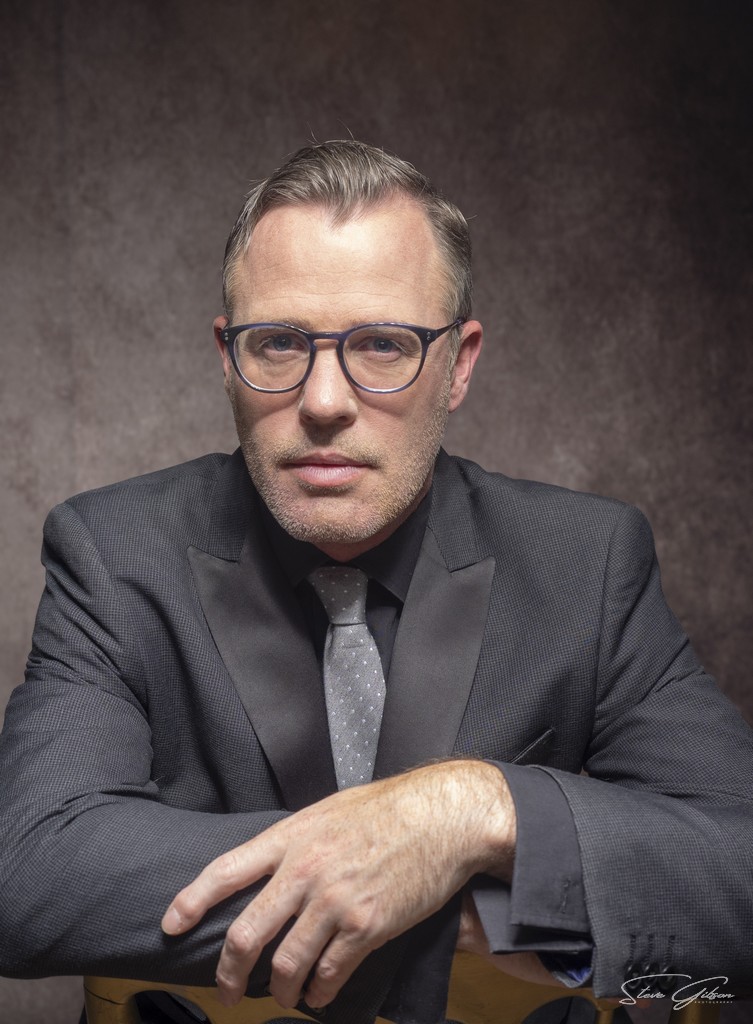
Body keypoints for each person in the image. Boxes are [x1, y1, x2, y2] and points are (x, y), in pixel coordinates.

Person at [1, 140, 752, 1024]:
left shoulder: (588, 560)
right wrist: (410, 893)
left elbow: (736, 869)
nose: (324, 400)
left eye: (384, 344)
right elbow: (32, 875)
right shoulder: (112, 551)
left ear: (459, 363)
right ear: (226, 356)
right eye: (278, 343)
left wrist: (466, 810)